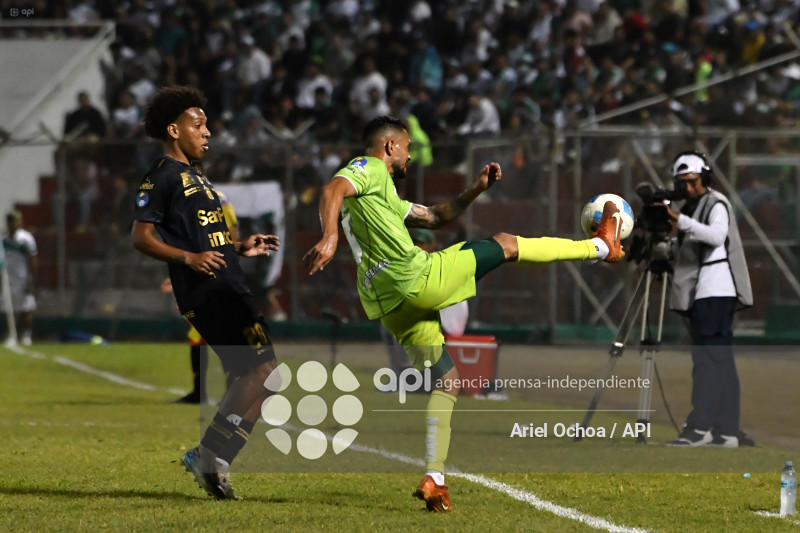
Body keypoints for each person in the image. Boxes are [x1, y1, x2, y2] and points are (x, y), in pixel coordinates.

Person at [303, 115, 625, 512]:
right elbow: (332, 188)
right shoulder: (368, 168)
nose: (410, 155)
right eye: (406, 147)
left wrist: (475, 190)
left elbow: (437, 217)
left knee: (447, 380)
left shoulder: (384, 196)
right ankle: (600, 247)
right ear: (389, 147)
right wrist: (330, 236)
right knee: (506, 244)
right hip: (414, 279)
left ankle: (435, 477)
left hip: (388, 304)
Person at [131, 86, 280, 500]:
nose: (208, 132)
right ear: (174, 130)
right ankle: (207, 453)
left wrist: (240, 247)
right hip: (210, 292)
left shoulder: (197, 177)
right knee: (257, 371)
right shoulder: (161, 175)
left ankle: (218, 460)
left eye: (207, 124)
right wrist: (188, 258)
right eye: (198, 125)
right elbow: (141, 237)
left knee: (267, 378)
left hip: (229, 285)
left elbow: (206, 237)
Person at [663, 151, 755, 448]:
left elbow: (716, 236)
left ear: (704, 178)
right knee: (721, 362)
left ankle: (700, 427)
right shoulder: (696, 206)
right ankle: (727, 432)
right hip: (707, 291)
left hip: (716, 290)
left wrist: (679, 220)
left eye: (692, 182)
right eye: (683, 183)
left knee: (707, 361)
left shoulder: (716, 203)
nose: (688, 188)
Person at [2, 210, 38, 346]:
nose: (12, 223)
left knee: (26, 308)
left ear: (20, 221)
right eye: (10, 220)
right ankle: (12, 333)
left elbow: (33, 260)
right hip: (9, 280)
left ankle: (27, 334)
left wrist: (31, 280)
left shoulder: (26, 239)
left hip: (23, 278)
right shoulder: (3, 240)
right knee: (10, 309)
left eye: (14, 220)